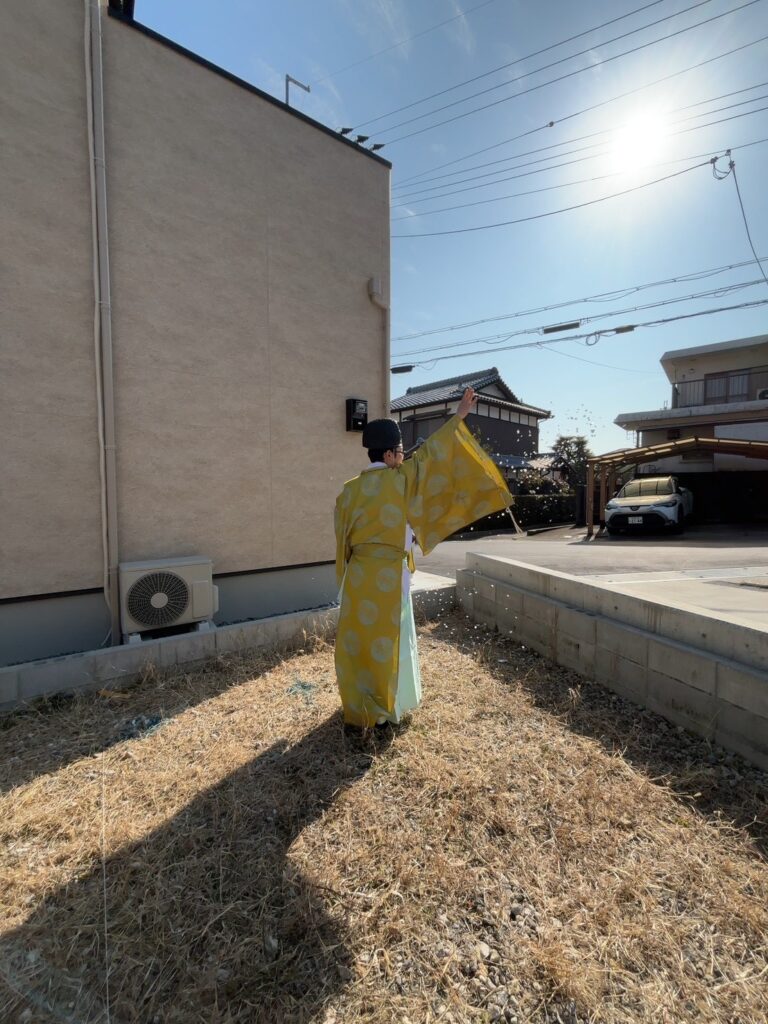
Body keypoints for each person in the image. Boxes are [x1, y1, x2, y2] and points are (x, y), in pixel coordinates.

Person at [334, 387, 513, 728]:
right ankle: (389, 709)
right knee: (391, 640)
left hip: (357, 576)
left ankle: (360, 703)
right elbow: (433, 453)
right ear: (389, 454)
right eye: (401, 452)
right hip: (390, 575)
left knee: (360, 641)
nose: (404, 457)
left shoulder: (348, 490)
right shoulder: (401, 479)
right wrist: (459, 416)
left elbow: (341, 538)